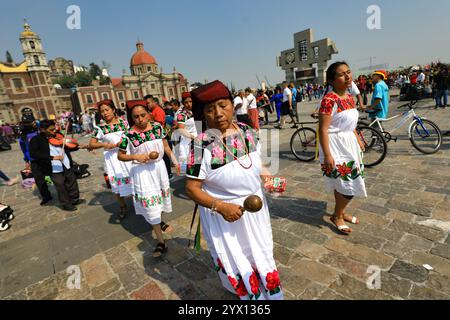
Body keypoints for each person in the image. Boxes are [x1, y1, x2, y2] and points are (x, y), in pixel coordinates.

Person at [185, 80, 283, 300]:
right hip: (225, 215)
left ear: (233, 105)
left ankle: (269, 291)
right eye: (210, 109)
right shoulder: (200, 145)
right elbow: (191, 188)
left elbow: (259, 165)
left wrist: (270, 181)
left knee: (261, 252)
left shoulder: (248, 131)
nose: (218, 113)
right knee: (237, 258)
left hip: (255, 211)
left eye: (223, 105)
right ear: (204, 115)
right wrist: (220, 206)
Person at [118, 101, 179, 257]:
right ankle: (160, 241)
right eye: (136, 117)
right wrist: (135, 156)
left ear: (149, 114)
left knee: (160, 200)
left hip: (159, 169)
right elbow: (121, 155)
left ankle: (158, 221)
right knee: (150, 204)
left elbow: (165, 145)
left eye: (143, 115)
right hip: (142, 172)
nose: (140, 119)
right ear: (132, 118)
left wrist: (175, 161)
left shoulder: (158, 128)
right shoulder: (128, 135)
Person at [318, 62, 367, 235]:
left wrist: (357, 137)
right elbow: (323, 129)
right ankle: (337, 216)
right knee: (349, 185)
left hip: (349, 144)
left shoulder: (349, 97)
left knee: (344, 184)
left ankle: (340, 212)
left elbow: (349, 122)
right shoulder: (329, 99)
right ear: (331, 80)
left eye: (348, 72)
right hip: (335, 146)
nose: (347, 76)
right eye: (341, 74)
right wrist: (328, 155)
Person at [89, 100, 133, 219]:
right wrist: (105, 145)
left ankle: (138, 203)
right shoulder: (100, 128)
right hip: (113, 159)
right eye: (102, 111)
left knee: (133, 180)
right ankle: (122, 206)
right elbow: (92, 144)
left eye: (107, 110)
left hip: (127, 155)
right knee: (117, 185)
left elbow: (132, 136)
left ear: (113, 110)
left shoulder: (124, 123)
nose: (104, 113)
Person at [29, 120, 84, 211]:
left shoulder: (59, 135)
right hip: (53, 167)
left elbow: (67, 146)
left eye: (54, 128)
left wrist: (78, 147)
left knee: (72, 182)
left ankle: (75, 199)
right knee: (60, 186)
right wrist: (52, 157)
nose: (54, 131)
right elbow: (34, 154)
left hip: (66, 163)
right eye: (51, 130)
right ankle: (66, 204)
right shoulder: (36, 140)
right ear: (42, 129)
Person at [174, 92, 198, 174]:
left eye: (190, 102)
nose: (189, 104)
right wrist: (193, 137)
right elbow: (181, 130)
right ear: (183, 103)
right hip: (188, 140)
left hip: (198, 138)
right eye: (186, 102)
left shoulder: (196, 111)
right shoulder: (182, 114)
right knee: (190, 165)